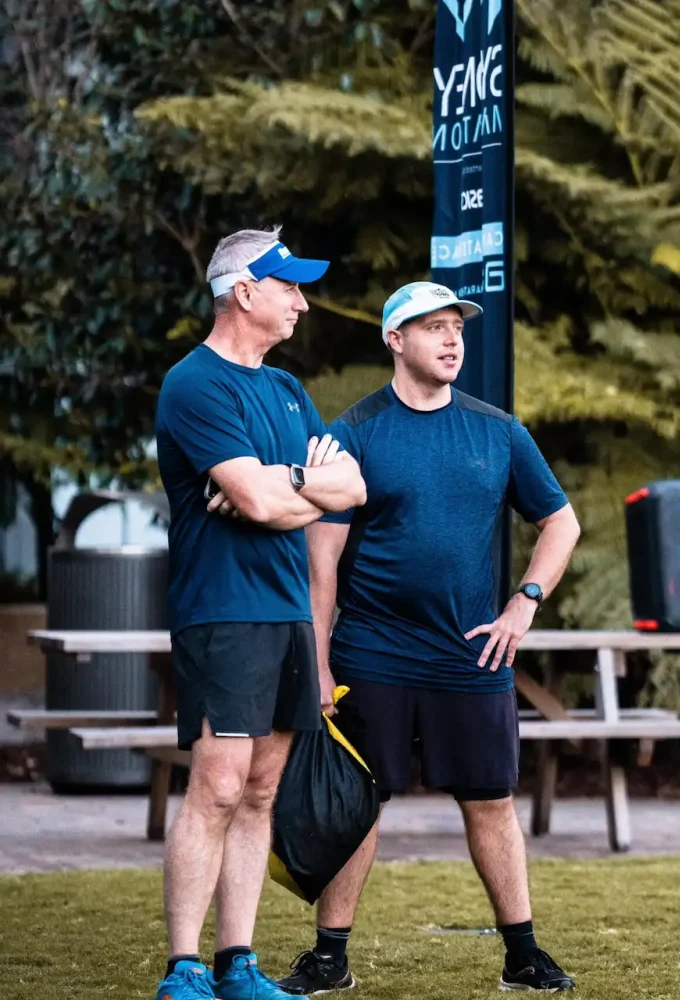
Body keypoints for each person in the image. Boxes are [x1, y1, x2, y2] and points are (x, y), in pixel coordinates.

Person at [276, 281, 582, 995]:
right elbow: (321, 566)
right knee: (357, 800)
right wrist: (317, 663)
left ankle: (523, 954)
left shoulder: (498, 431)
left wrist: (525, 602)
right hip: (372, 653)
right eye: (433, 328)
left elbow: (559, 522)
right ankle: (330, 957)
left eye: (457, 328)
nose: (452, 340)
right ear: (395, 340)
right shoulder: (353, 433)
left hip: (471, 654)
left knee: (491, 801)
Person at [153, 225, 367, 1000]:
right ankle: (183, 968)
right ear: (244, 293)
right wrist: (283, 491)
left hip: (285, 613)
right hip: (222, 611)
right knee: (217, 783)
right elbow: (257, 501)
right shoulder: (195, 384)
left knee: (264, 790)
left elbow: (353, 490)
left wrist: (281, 487)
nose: (302, 304)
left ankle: (237, 963)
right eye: (289, 288)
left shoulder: (286, 390)